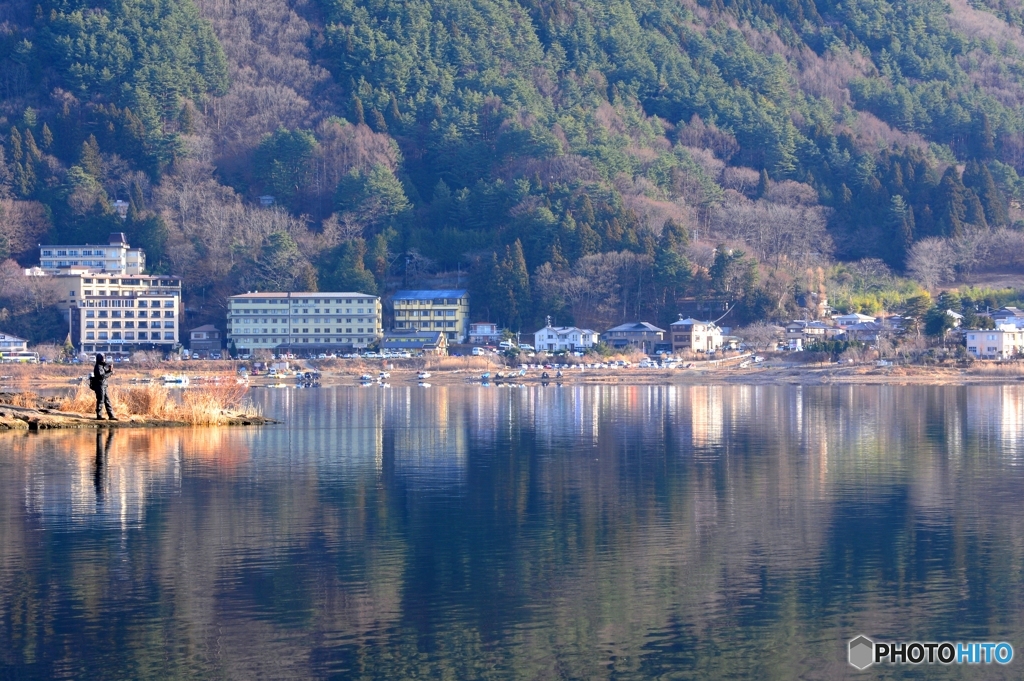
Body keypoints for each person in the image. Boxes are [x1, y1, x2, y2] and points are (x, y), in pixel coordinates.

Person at [90, 353, 116, 421]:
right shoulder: (98, 366)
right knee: (101, 400)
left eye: (104, 357)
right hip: (99, 385)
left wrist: (110, 370)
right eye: (102, 358)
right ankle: (99, 416)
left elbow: (104, 374)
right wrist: (111, 373)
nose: (104, 359)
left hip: (104, 385)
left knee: (107, 400)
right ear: (99, 359)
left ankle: (111, 415)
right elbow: (101, 376)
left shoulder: (102, 366)